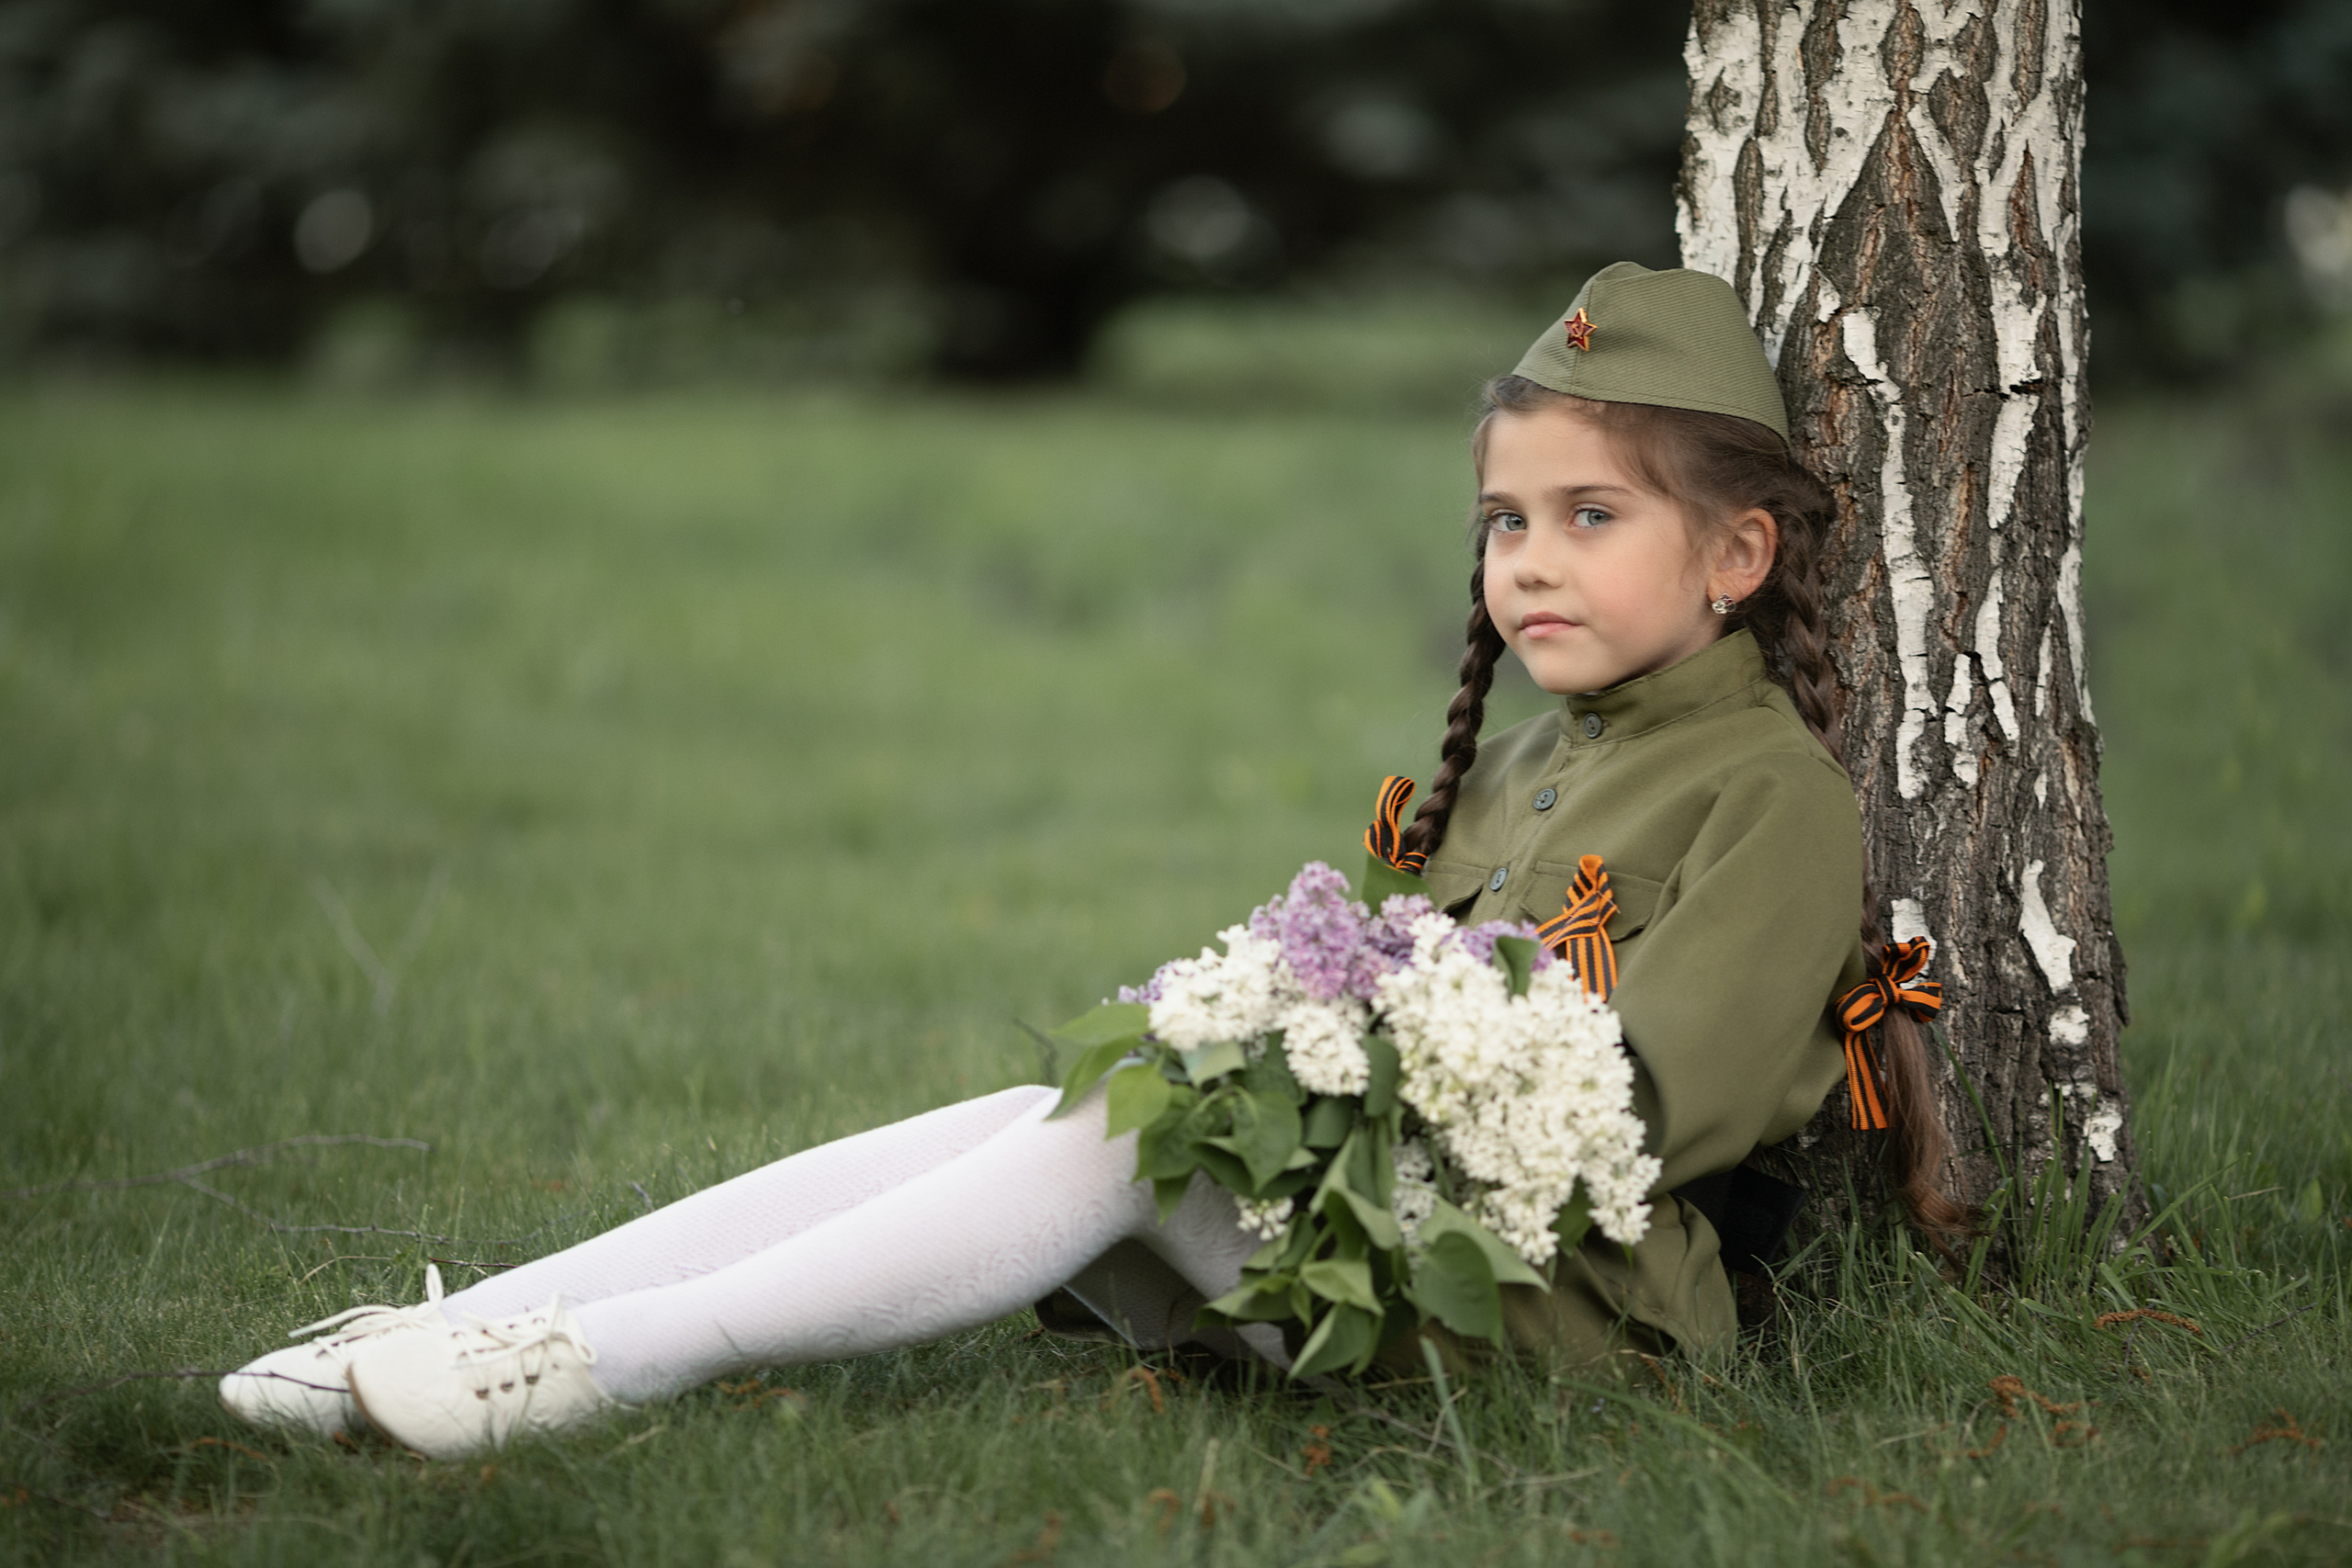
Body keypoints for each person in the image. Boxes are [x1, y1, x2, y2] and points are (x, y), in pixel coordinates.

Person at [219, 261, 1959, 1459]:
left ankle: (598, 1368)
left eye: (1595, 518)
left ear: (1738, 553)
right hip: (1388, 1239)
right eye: (1508, 519)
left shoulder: (1767, 798)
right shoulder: (1516, 769)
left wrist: (1308, 1066)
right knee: (1062, 1109)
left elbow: (1649, 1110)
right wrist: (1282, 1041)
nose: (1530, 562)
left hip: (1558, 1325)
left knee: (1145, 1111)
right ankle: (482, 1322)